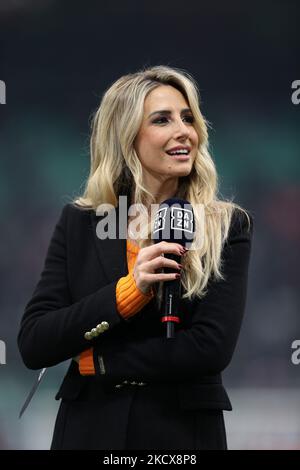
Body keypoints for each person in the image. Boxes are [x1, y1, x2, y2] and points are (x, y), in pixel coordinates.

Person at [18, 65, 253, 450]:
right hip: (88, 432)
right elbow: (35, 341)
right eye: (163, 120)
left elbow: (210, 348)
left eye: (188, 118)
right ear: (126, 137)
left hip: (181, 437)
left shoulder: (226, 225)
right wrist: (129, 292)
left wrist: (101, 363)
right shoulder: (81, 222)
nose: (184, 132)